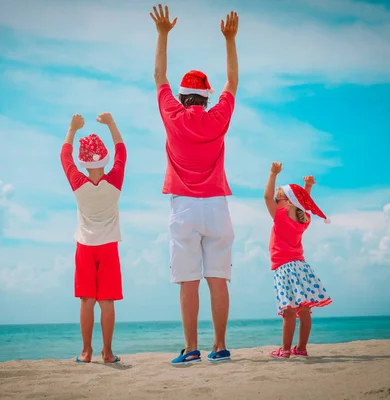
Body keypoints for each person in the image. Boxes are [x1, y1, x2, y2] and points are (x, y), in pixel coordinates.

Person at [149, 4, 239, 363]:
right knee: (218, 278)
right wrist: (230, 41)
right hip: (217, 205)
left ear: (184, 96)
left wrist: (163, 33)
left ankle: (191, 349)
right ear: (206, 97)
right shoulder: (218, 116)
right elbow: (232, 82)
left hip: (184, 205)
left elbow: (159, 75)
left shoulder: (172, 115)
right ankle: (220, 346)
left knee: (188, 280)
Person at [60, 112, 127, 364]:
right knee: (107, 301)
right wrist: (111, 123)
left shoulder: (78, 183)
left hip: (85, 246)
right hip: (108, 247)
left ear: (84, 162)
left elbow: (65, 158)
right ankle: (108, 353)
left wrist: (72, 128)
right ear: (105, 158)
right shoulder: (115, 182)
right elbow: (121, 151)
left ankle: (86, 352)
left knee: (87, 300)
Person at [263, 162, 332, 358]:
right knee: (304, 310)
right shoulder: (304, 220)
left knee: (289, 311)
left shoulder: (281, 215)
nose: (275, 201)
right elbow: (302, 202)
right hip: (301, 267)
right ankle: (300, 348)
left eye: (279, 199)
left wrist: (272, 173)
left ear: (286, 201)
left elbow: (266, 196)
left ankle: (285, 350)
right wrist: (308, 187)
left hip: (284, 268)